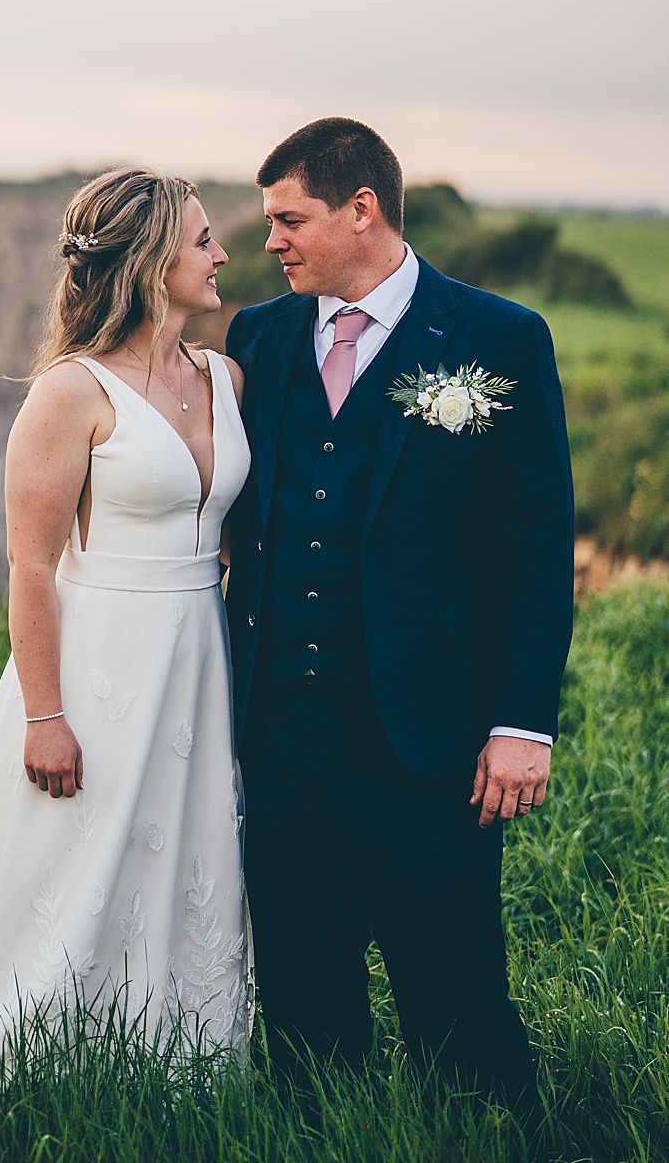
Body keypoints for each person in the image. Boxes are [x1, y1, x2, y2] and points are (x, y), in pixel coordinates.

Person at [223, 116, 574, 1133]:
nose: (273, 241)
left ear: (360, 208)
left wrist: (522, 722)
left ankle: (492, 1141)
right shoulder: (261, 335)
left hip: (430, 741)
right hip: (282, 736)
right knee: (299, 998)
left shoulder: (497, 337)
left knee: (455, 993)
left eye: (289, 218)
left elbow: (534, 546)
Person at [0, 168, 254, 1088]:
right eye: (203, 240)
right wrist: (46, 715)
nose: (222, 254)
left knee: (187, 854)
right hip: (99, 659)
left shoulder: (227, 375)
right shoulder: (70, 391)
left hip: (199, 655)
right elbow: (29, 565)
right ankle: (17, 1059)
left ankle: (175, 1056)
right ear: (149, 260)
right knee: (74, 854)